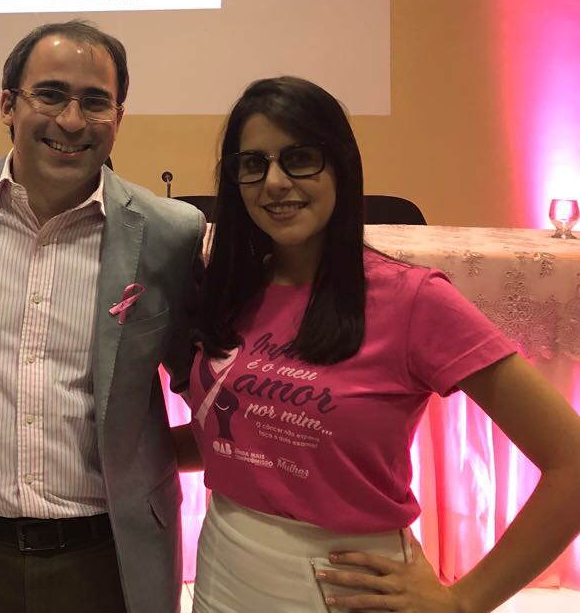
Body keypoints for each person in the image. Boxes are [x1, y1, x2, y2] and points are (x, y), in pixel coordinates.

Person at [186, 76, 580, 612]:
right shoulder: (235, 291)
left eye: (299, 158)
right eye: (252, 164)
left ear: (341, 166)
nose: (274, 182)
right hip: (222, 571)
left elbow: (570, 461)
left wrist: (465, 602)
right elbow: (229, 435)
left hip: (344, 588)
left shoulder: (413, 300)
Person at [0, 21, 204, 613]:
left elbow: (215, 394)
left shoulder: (167, 234)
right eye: (50, 94)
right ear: (8, 104)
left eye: (95, 101)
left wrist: (147, 463)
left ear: (118, 117)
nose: (72, 121)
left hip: (109, 561)